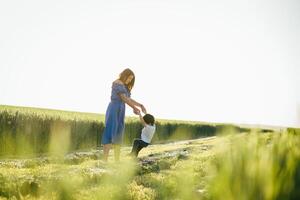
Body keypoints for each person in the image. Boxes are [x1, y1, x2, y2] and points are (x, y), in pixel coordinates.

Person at [101, 68, 147, 162]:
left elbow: (129, 99)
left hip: (121, 110)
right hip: (114, 108)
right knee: (110, 133)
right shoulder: (117, 83)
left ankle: (116, 161)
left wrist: (140, 105)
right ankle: (104, 161)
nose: (129, 80)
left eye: (131, 79)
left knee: (119, 134)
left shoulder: (125, 87)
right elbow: (124, 98)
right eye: (129, 78)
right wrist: (134, 108)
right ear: (124, 75)